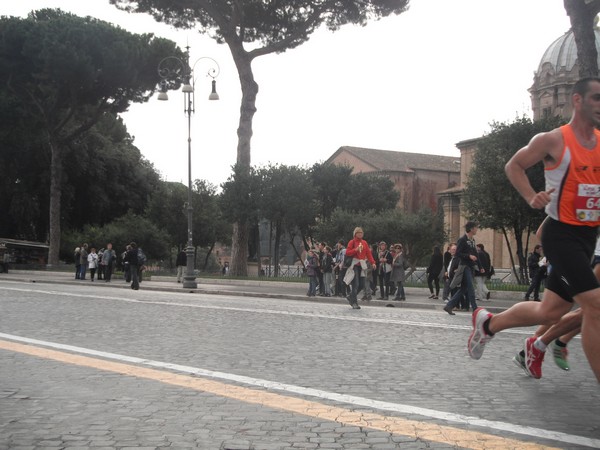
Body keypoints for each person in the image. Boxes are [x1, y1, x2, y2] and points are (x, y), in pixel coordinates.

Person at [468, 77, 600, 383]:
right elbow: (514, 165)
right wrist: (530, 195)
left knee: (551, 312)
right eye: (596, 98)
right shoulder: (553, 140)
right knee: (595, 305)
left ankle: (489, 324)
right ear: (577, 100)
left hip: (586, 236)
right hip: (560, 234)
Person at [443, 221, 482, 315]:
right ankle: (475, 308)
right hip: (464, 267)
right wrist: (469, 256)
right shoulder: (462, 240)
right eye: (476, 228)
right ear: (471, 229)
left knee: (463, 289)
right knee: (471, 287)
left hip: (470, 266)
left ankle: (449, 306)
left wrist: (480, 266)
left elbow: (475, 254)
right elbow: (458, 253)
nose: (477, 229)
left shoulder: (472, 240)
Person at [343, 227, 376, 310]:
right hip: (354, 265)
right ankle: (354, 302)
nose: (360, 234)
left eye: (361, 232)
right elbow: (348, 252)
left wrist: (373, 262)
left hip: (362, 265)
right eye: (358, 233)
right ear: (355, 234)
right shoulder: (352, 242)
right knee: (356, 284)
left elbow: (368, 253)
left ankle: (351, 296)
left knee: (362, 284)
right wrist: (356, 249)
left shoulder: (364, 243)